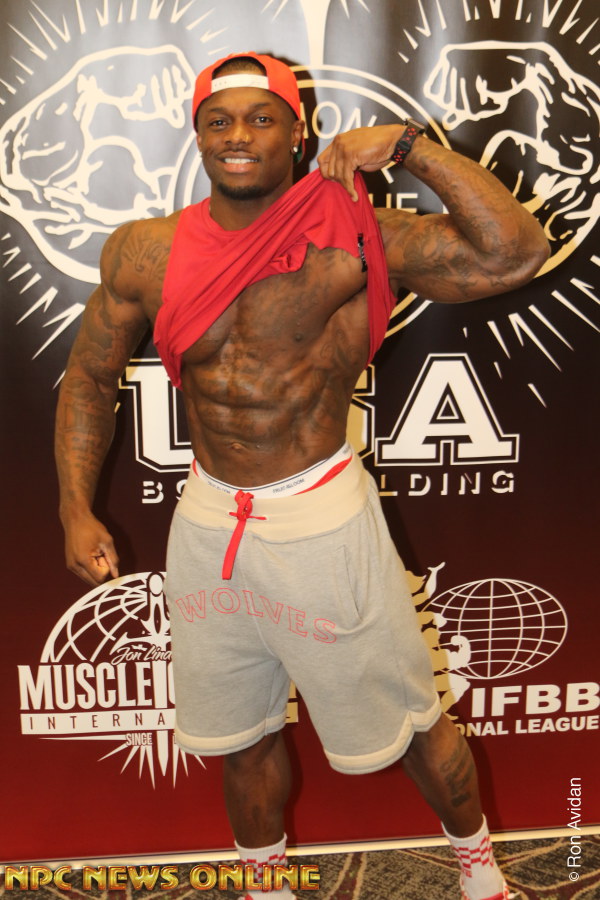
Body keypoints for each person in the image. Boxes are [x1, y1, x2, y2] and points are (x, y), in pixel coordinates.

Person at [55, 52, 548, 900]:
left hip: (321, 523)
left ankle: (479, 866)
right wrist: (73, 507)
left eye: (262, 118)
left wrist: (410, 150)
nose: (238, 136)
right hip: (210, 525)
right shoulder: (145, 252)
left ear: (299, 132)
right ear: (197, 134)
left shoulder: (354, 235)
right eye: (219, 120)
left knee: (414, 725)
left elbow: (514, 254)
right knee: (241, 738)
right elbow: (90, 379)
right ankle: (267, 886)